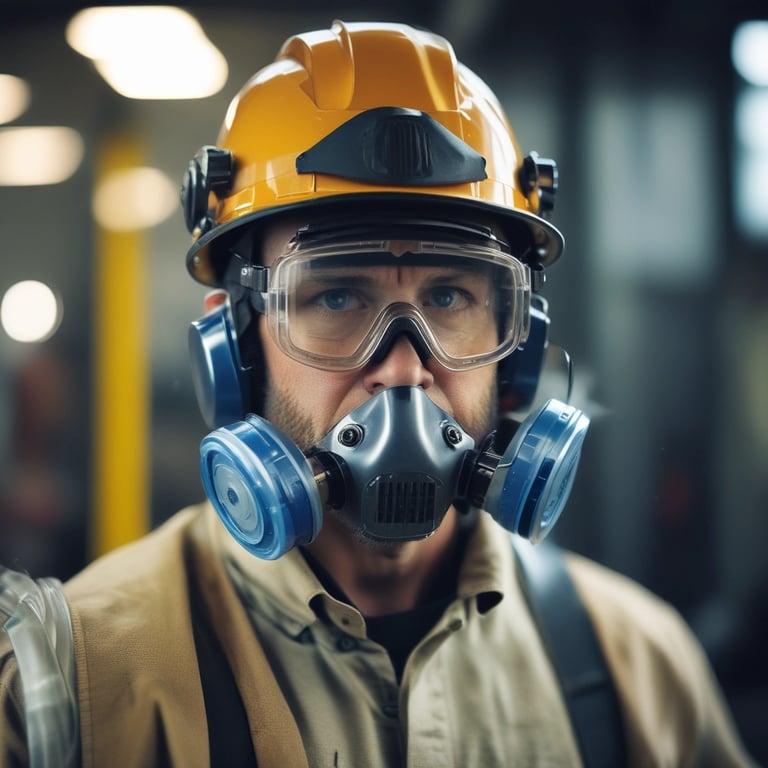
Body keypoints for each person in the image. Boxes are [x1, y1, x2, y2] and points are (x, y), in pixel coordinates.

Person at [0, 19, 755, 768]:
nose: (402, 369)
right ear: (232, 348)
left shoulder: (642, 672)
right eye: (336, 299)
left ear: (518, 349)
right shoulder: (72, 689)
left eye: (453, 298)